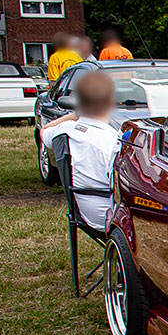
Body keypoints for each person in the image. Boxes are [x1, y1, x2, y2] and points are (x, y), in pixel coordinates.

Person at [39, 71, 120, 230]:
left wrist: (74, 116)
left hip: (82, 211)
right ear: (111, 103)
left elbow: (44, 131)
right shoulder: (113, 142)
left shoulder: (64, 130)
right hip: (111, 216)